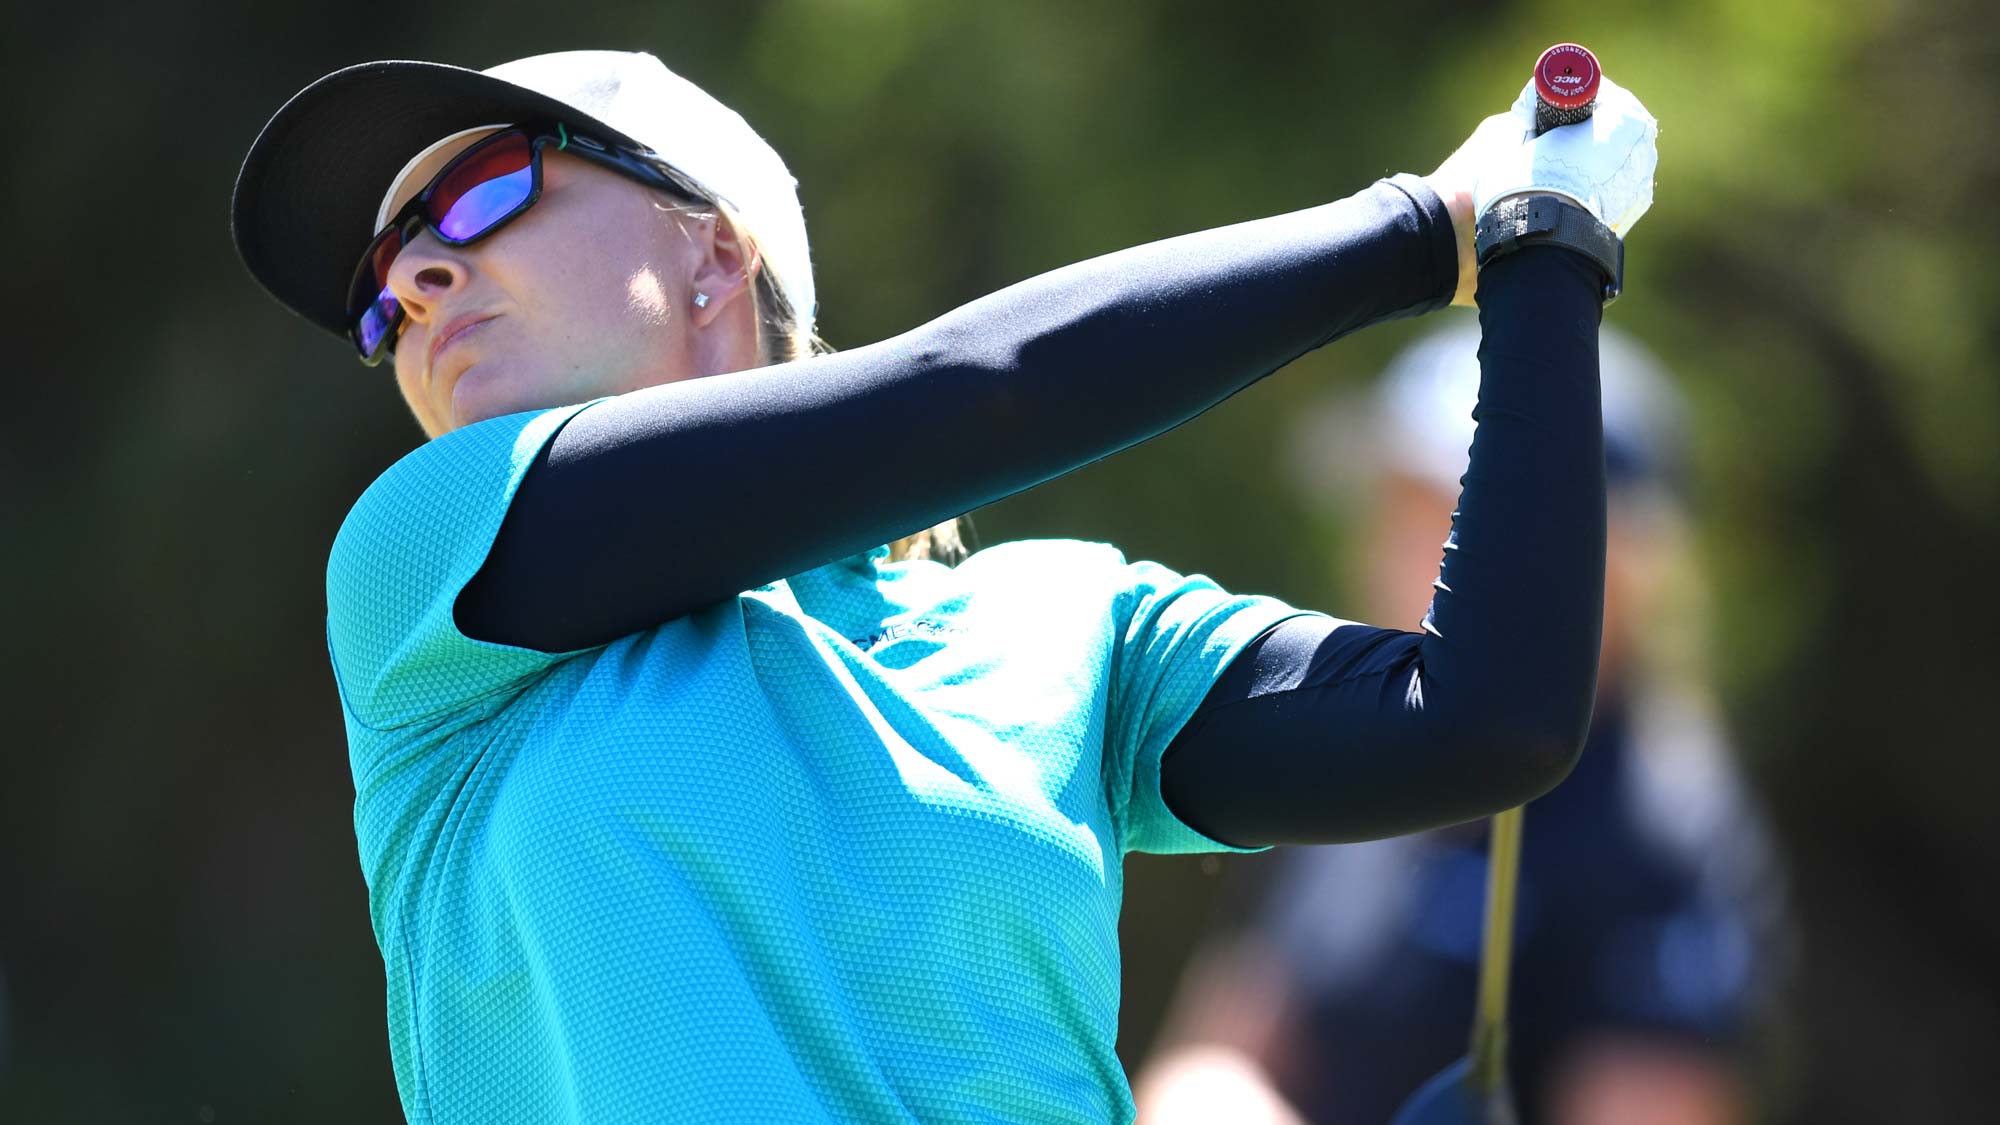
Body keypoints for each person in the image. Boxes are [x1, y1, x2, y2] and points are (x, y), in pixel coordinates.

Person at [229, 48, 1658, 1123]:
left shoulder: (1073, 624)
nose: (412, 274)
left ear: (711, 244)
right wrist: (1424, 226)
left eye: (483, 192)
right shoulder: (423, 582)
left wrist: (1546, 252)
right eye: (379, 284)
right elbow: (975, 397)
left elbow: (1490, 719)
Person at [1132, 325, 1790, 1125]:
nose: (1390, 556)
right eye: (1394, 515)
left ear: (1614, 562)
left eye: (1449, 521)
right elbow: (1216, 1061)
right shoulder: (1348, 767)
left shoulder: (1664, 832)